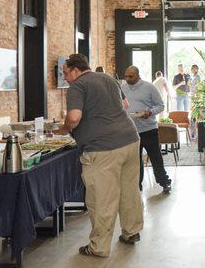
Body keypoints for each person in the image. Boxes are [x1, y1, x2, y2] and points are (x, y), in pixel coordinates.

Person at [56, 54, 143, 258]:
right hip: (130, 140)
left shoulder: (77, 86)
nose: (66, 78)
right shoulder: (108, 79)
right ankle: (131, 232)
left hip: (103, 149)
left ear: (76, 71)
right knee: (129, 190)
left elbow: (74, 117)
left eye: (66, 73)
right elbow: (125, 106)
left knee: (102, 198)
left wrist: (65, 127)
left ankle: (99, 247)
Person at [122, 66, 172, 192]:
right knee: (135, 162)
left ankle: (164, 182)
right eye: (126, 76)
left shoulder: (149, 87)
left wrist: (150, 112)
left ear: (138, 75)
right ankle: (137, 187)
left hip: (149, 130)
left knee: (156, 159)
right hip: (131, 131)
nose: (127, 79)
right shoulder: (123, 88)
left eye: (131, 76)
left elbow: (160, 106)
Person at [189, 64, 202, 139]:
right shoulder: (192, 77)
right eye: (193, 68)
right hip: (192, 98)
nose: (194, 70)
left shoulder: (197, 77)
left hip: (196, 99)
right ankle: (192, 133)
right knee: (192, 116)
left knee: (195, 116)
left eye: (195, 68)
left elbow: (198, 87)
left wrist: (197, 98)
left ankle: (194, 133)